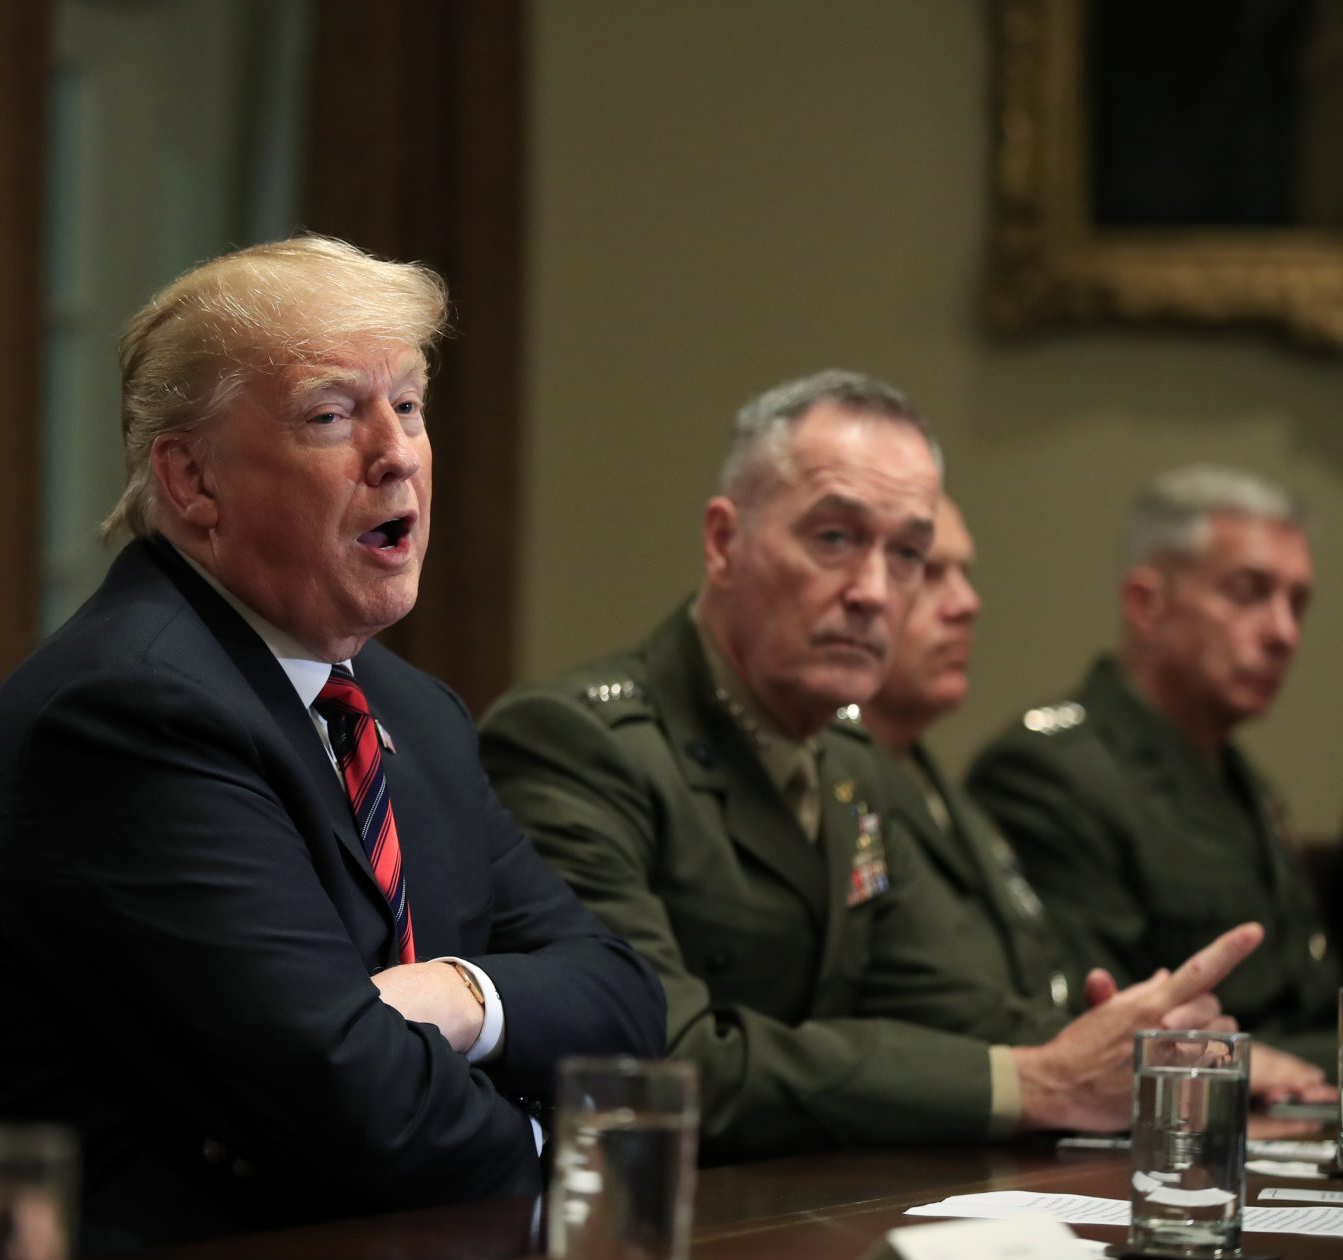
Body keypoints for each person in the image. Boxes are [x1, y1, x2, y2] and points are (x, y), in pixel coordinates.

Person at [0, 236, 665, 1253]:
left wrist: (461, 996)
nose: (396, 451)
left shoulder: (412, 712)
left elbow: (621, 995)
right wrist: (576, 1164)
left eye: (412, 403)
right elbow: (354, 1103)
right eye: (333, 415)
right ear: (191, 481)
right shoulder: (132, 710)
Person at [479, 370, 1262, 1164]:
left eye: (909, 553)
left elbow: (944, 1002)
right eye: (834, 538)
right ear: (724, 542)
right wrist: (1039, 1080)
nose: (874, 591)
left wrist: (1130, 1043)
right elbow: (660, 1060)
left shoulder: (850, 762)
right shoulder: (578, 742)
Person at [969, 465, 1340, 1071]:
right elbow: (1101, 1030)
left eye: (1297, 603)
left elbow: (1311, 999)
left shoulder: (1245, 782)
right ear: (1146, 604)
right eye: (1249, 592)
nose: (1283, 632)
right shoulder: (1048, 775)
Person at [843, 496, 1074, 1012]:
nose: (967, 603)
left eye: (965, 573)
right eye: (928, 573)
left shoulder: (940, 788)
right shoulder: (827, 782)